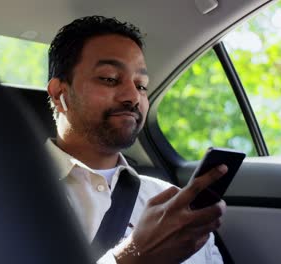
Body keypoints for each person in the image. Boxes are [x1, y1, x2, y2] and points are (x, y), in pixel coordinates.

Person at [46, 15, 227, 264]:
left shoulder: (172, 203)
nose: (132, 96)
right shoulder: (3, 191)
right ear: (59, 93)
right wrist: (134, 255)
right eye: (109, 78)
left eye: (141, 85)